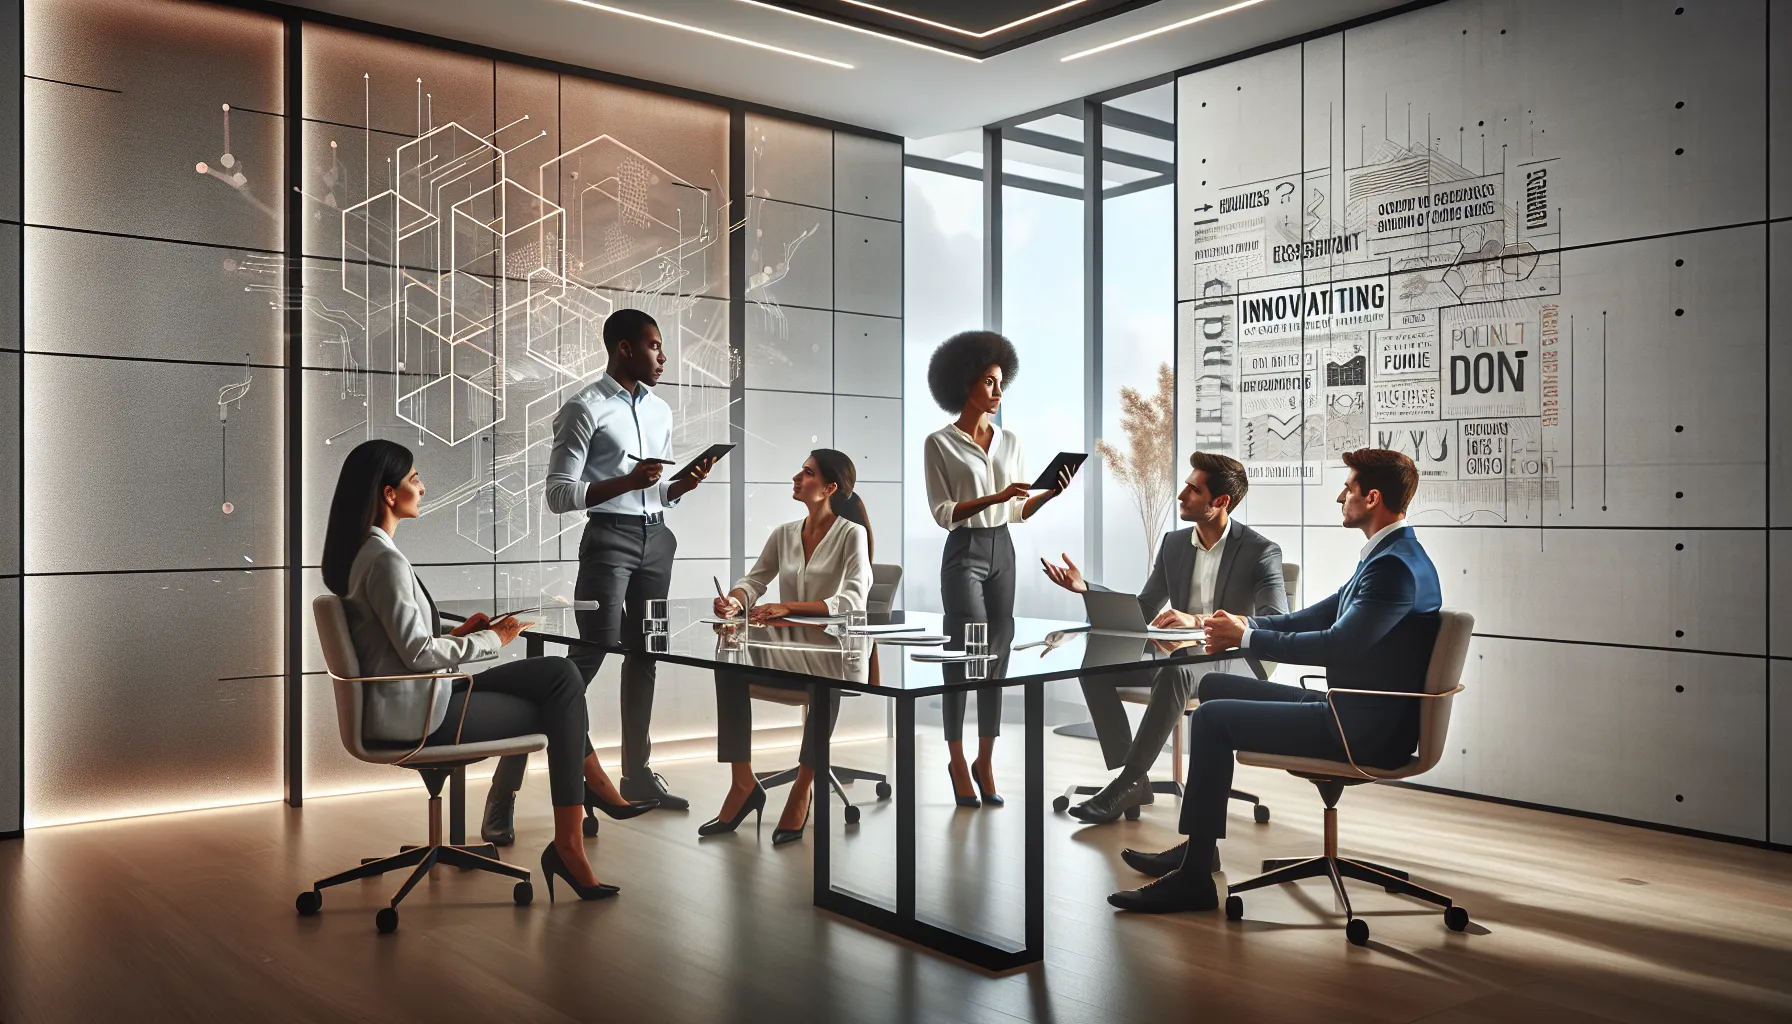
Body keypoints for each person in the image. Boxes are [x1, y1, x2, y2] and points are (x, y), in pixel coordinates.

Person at [1108, 449, 1442, 914]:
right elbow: (1306, 618)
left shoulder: (1393, 569)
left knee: (1211, 719)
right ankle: (1200, 849)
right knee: (1216, 689)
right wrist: (1238, 628)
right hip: (1353, 710)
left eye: (1348, 488)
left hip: (1359, 729)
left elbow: (1334, 645)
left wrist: (1244, 636)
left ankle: (1195, 878)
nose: (1340, 496)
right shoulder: (1388, 557)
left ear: (1372, 497)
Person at [322, 439, 654, 903]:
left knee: (557, 675)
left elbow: (397, 639)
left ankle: (587, 801)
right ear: (389, 494)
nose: (423, 486)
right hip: (420, 717)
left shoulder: (365, 554)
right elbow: (417, 653)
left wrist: (463, 634)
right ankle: (571, 840)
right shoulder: (384, 560)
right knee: (555, 705)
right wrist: (491, 640)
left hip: (416, 699)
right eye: (415, 479)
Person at [478, 309, 717, 844]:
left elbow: (653, 491)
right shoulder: (583, 409)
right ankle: (504, 787)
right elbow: (559, 495)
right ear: (625, 348)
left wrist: (679, 486)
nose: (663, 357)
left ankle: (636, 775)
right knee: (587, 657)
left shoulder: (660, 410)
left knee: (648, 652)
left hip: (658, 541)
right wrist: (626, 481)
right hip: (608, 541)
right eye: (655, 347)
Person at [1040, 451, 1286, 824]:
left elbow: (1275, 621)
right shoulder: (1173, 545)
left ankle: (1126, 784)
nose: (1182, 495)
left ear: (1220, 502)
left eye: (1193, 490)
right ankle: (1132, 777)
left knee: (1175, 671)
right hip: (1180, 657)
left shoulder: (1260, 551)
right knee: (1095, 667)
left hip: (1234, 661)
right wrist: (1086, 587)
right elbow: (1143, 607)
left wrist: (1198, 620)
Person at [923, 331, 1076, 808]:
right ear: (965, 383)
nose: (997, 391)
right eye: (989, 382)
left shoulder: (1010, 442)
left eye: (1001, 382)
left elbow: (1015, 513)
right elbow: (943, 512)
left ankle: (984, 759)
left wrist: (1048, 494)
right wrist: (995, 496)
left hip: (1002, 550)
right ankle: (954, 755)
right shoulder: (939, 443)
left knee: (997, 657)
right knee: (963, 653)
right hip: (964, 551)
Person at [705, 449, 874, 846]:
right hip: (786, 652)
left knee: (824, 682)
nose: (797, 478)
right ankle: (742, 783)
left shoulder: (853, 535)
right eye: (800, 470)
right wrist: (735, 601)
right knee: (727, 665)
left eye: (808, 473)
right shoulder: (783, 533)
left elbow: (851, 602)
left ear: (830, 487)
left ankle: (802, 788)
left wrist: (788, 606)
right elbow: (754, 581)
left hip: (833, 653)